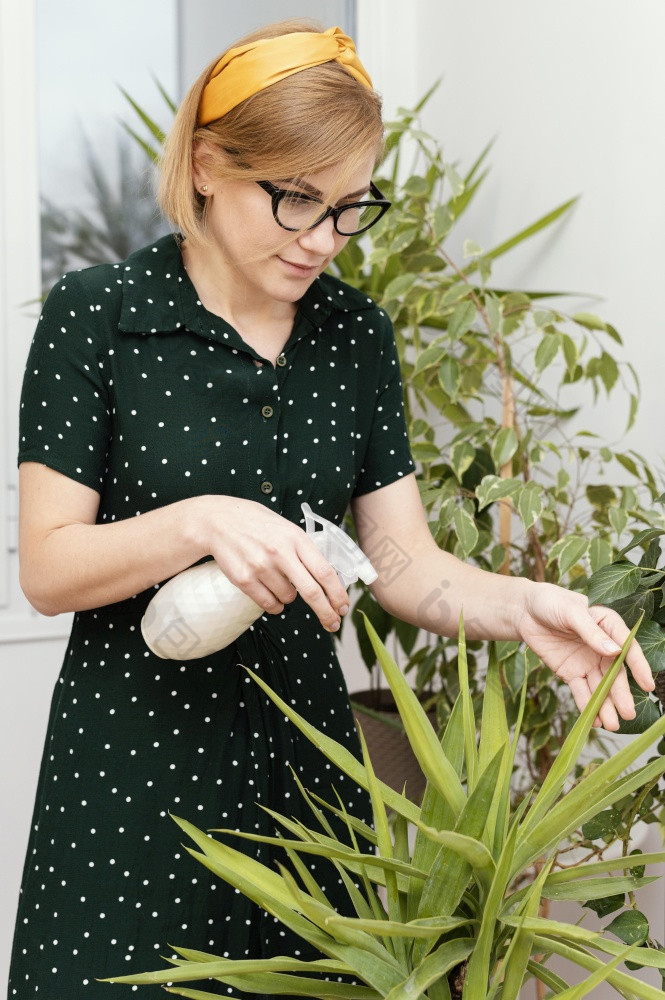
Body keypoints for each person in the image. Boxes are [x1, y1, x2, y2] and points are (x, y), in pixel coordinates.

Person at [8, 17, 654, 999]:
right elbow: (47, 569)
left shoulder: (354, 334)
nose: (321, 241)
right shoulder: (98, 314)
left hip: (305, 785)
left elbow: (399, 563)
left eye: (350, 207)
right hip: (129, 780)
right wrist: (198, 520)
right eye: (295, 200)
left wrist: (524, 607)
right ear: (207, 163)